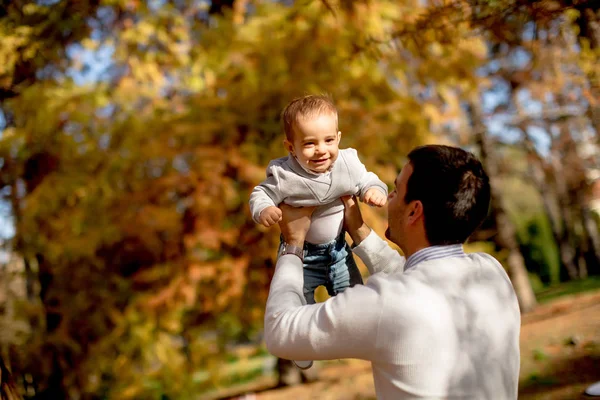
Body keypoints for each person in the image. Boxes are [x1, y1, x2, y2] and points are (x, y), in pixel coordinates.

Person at [264, 144, 521, 399]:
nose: (388, 197)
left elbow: (279, 331)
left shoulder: (386, 302)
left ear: (414, 211)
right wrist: (360, 231)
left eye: (396, 191)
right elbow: (416, 280)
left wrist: (293, 242)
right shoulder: (492, 274)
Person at [249, 95, 387, 369]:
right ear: (291, 147)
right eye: (309, 143)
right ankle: (302, 346)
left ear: (338, 138)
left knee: (356, 296)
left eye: (328, 140)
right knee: (298, 299)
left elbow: (368, 179)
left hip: (338, 251)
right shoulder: (283, 174)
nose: (321, 150)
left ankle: (361, 338)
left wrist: (375, 190)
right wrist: (263, 209)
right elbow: (260, 193)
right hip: (304, 258)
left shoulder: (348, 163)